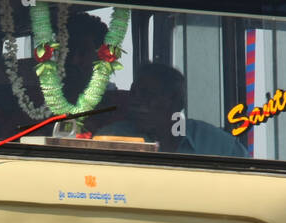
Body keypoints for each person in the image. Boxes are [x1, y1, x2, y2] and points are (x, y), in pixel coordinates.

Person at [98, 63, 246, 157]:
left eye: (147, 94)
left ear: (175, 102)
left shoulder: (215, 143)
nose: (135, 101)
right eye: (133, 93)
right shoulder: (112, 137)